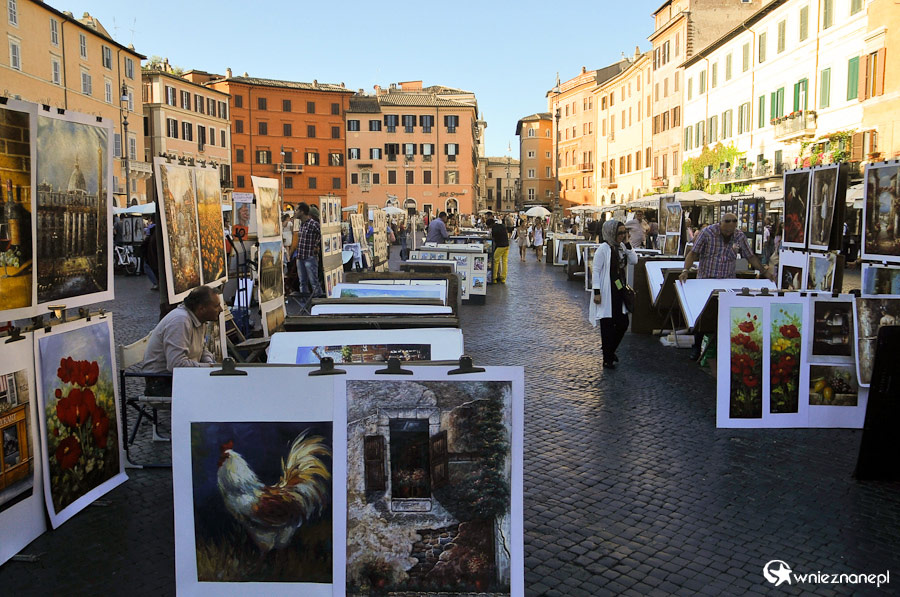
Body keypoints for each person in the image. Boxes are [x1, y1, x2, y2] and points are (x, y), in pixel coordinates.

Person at [679, 213, 776, 360]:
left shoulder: (739, 236)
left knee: (725, 315)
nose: (729, 230)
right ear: (720, 223)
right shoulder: (707, 232)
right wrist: (685, 270)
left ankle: (722, 348)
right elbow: (693, 254)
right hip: (707, 280)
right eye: (727, 226)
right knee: (703, 315)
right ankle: (697, 347)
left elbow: (750, 256)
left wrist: (764, 272)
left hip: (728, 281)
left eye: (733, 225)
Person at [140, 286, 222, 396]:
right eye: (216, 306)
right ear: (201, 308)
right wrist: (208, 368)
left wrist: (210, 364)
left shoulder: (200, 319)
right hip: (162, 381)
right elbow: (176, 364)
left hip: (180, 377)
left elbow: (202, 349)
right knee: (214, 394)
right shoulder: (180, 321)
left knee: (222, 387)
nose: (221, 309)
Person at [591, 220, 638, 369]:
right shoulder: (603, 249)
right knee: (607, 325)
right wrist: (597, 292)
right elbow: (596, 271)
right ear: (611, 233)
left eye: (624, 233)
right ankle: (607, 358)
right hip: (607, 290)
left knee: (623, 323)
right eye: (620, 233)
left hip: (619, 290)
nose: (622, 236)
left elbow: (634, 260)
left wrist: (628, 244)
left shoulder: (622, 247)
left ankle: (610, 350)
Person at [289, 202, 323, 297]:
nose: (295, 212)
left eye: (297, 210)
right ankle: (304, 304)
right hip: (300, 257)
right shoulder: (302, 224)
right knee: (302, 282)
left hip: (310, 257)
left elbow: (323, 234)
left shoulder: (313, 224)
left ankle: (319, 303)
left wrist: (316, 245)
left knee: (313, 282)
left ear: (302, 212)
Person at [486, 211, 510, 283]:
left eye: (488, 226)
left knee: (495, 261)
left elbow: (494, 239)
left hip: (500, 246)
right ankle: (503, 278)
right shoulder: (501, 225)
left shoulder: (494, 229)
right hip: (506, 245)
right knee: (504, 262)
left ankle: (494, 277)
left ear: (490, 225)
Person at [142, 216, 159, 291]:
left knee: (147, 267)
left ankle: (156, 283)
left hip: (152, 256)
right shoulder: (155, 231)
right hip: (154, 256)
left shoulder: (151, 230)